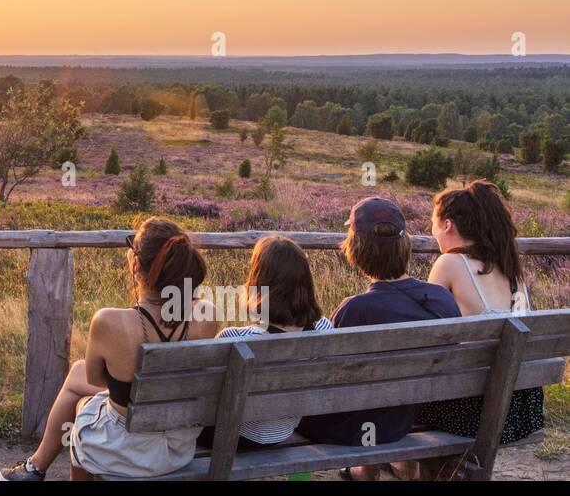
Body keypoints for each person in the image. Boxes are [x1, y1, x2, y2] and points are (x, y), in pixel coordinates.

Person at [0, 217, 219, 481]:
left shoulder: (109, 321)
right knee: (78, 376)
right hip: (177, 447)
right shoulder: (207, 314)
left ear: (136, 264)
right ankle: (35, 467)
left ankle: (35, 468)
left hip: (126, 449)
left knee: (81, 398)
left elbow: (95, 379)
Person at [297, 197, 460, 480]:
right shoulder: (441, 298)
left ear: (355, 250)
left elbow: (330, 384)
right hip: (413, 417)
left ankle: (364, 471)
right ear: (404, 245)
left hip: (360, 428)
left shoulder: (354, 310)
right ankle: (384, 468)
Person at [412, 181, 543, 457]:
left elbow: (427, 337)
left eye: (433, 223)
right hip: (517, 410)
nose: (431, 231)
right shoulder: (511, 269)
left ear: (448, 225)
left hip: (471, 412)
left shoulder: (449, 264)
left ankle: (401, 467)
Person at [197, 235, 333, 450]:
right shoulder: (325, 329)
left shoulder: (235, 338)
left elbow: (204, 393)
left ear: (258, 282)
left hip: (235, 436)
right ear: (306, 282)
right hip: (284, 431)